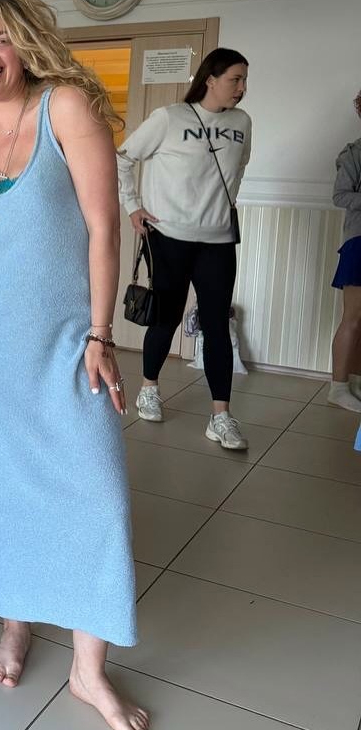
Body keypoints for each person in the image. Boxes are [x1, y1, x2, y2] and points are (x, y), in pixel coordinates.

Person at [0, 0, 147, 730]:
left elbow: (104, 228)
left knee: (96, 496)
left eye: (0, 38)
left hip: (65, 345)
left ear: (25, 44)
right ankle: (16, 625)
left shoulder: (66, 107)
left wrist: (101, 334)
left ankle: (89, 668)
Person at [118, 49, 252, 451]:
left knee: (216, 325)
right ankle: (149, 388)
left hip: (219, 240)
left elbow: (238, 168)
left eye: (245, 80)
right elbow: (122, 159)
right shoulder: (169, 118)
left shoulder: (242, 123)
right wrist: (133, 205)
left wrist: (220, 207)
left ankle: (221, 416)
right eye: (235, 79)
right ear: (210, 79)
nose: (242, 88)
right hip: (169, 237)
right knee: (167, 318)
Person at [329, 88, 361, 420]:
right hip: (359, 241)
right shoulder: (354, 153)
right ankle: (338, 387)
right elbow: (340, 196)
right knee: (353, 316)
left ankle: (356, 382)